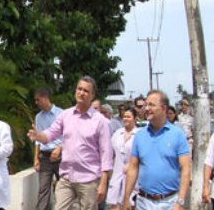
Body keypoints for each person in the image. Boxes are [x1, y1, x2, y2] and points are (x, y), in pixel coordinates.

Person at [28, 76, 113, 210]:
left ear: (92, 95)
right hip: (67, 177)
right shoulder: (66, 115)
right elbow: (50, 133)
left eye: (86, 90)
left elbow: (106, 154)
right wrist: (37, 136)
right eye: (79, 89)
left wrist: (103, 183)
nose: (81, 93)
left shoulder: (99, 121)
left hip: (89, 180)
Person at [123, 90, 191, 210]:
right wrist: (126, 198)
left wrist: (180, 202)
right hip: (144, 202)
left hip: (170, 202)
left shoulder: (177, 134)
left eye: (151, 105)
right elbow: (133, 168)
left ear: (164, 108)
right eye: (146, 105)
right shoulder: (140, 135)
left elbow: (185, 169)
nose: (147, 108)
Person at [33, 88, 63, 210]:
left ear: (45, 98)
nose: (36, 103)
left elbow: (69, 136)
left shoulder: (62, 114)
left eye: (38, 100)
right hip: (45, 157)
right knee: (43, 190)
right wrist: (36, 158)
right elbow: (37, 139)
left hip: (61, 156)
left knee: (64, 189)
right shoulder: (38, 117)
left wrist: (60, 148)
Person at [106, 108, 139, 210]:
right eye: (124, 116)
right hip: (117, 172)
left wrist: (131, 165)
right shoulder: (118, 133)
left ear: (135, 118)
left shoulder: (139, 134)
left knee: (129, 204)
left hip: (133, 175)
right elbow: (110, 151)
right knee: (113, 203)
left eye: (128, 117)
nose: (126, 119)